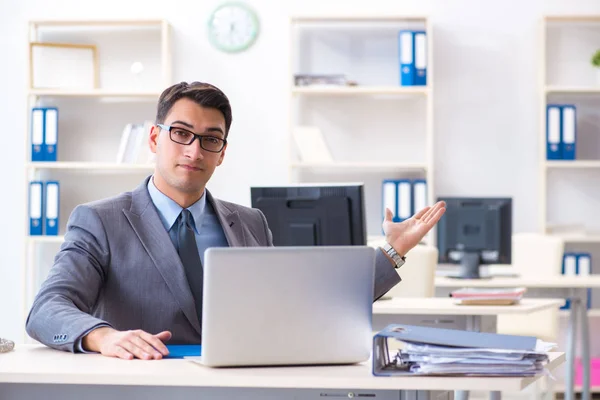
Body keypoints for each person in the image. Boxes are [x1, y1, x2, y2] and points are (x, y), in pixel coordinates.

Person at [25, 81, 446, 361]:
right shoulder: (100, 220)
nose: (194, 150)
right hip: (147, 385)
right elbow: (47, 309)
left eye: (210, 139)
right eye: (181, 133)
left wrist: (394, 251)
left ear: (222, 152)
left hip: (241, 384)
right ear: (155, 139)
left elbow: (302, 306)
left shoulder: (250, 222)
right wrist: (104, 337)